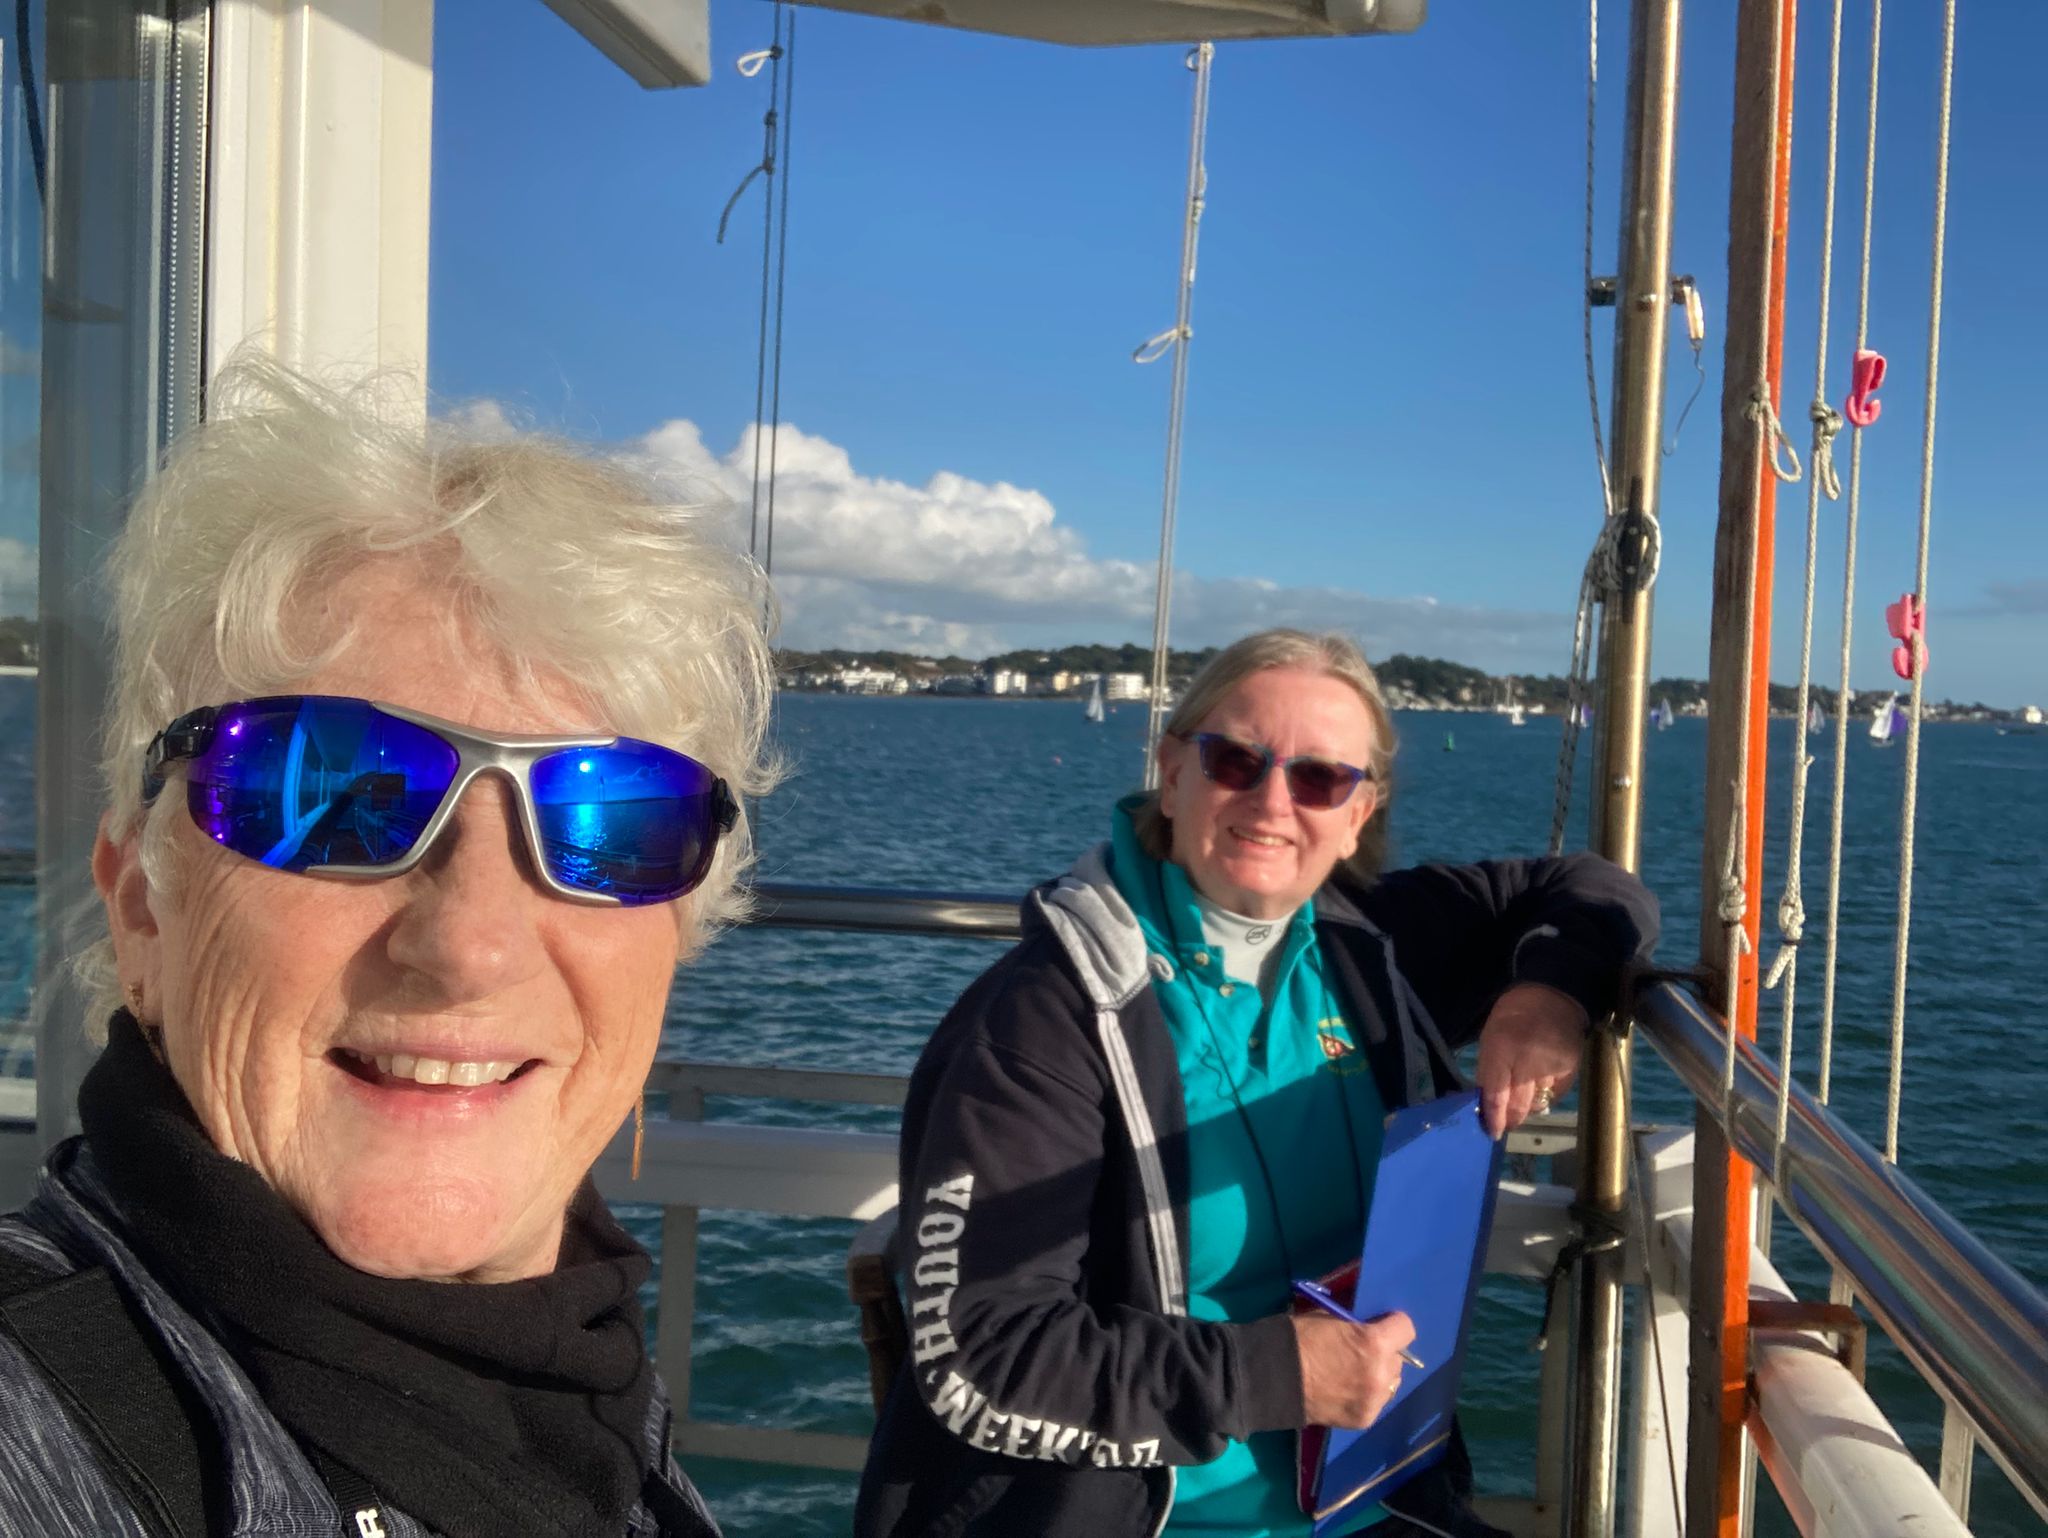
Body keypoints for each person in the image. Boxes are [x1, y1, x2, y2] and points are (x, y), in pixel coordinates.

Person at [0, 360, 778, 1537]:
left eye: (608, 818)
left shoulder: (581, 1384)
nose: (469, 944)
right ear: (143, 904)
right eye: (329, 794)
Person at [854, 629, 1658, 1538]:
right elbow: (982, 1355)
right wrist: (1279, 1376)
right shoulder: (1043, 1020)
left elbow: (1594, 887)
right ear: (1172, 774)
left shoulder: (1366, 947)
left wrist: (1548, 994)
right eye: (1235, 760)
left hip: (1379, 1503)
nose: (1274, 801)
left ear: (1359, 814)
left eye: (1320, 779)